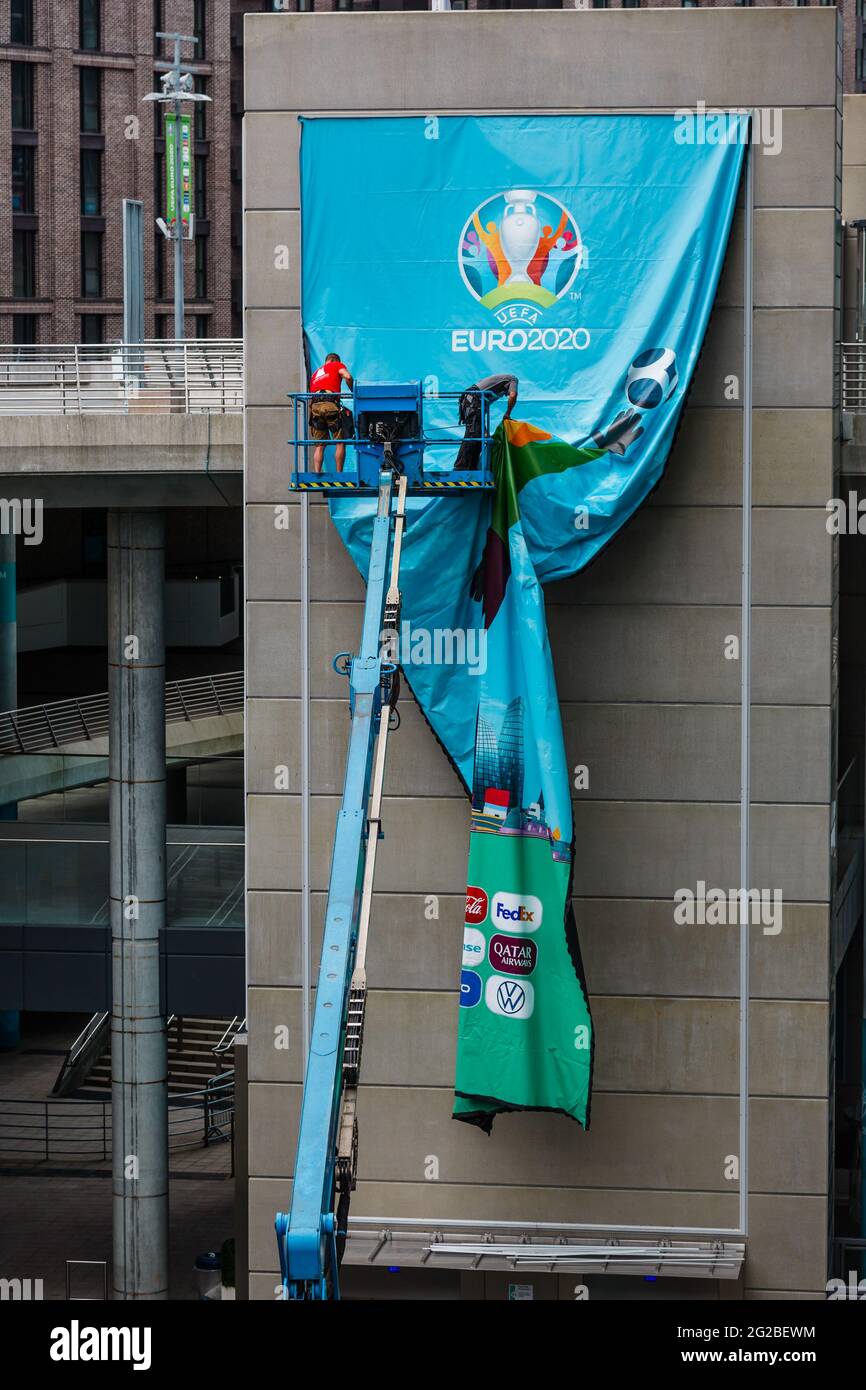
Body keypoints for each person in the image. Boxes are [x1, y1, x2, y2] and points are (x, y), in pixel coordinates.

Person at [454, 373, 519, 471]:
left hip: (473, 401)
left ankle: (471, 467)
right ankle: (460, 468)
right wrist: (507, 414)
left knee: (479, 435)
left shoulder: (490, 393)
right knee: (473, 434)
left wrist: (484, 430)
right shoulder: (513, 380)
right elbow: (513, 395)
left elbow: (480, 413)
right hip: (473, 399)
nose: (506, 395)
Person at [308, 352, 354, 473]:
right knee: (340, 442)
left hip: (315, 407)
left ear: (326, 361)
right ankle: (339, 473)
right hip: (330, 404)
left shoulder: (315, 373)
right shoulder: (337, 365)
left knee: (320, 445)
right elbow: (348, 377)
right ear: (336, 361)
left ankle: (317, 474)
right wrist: (353, 391)